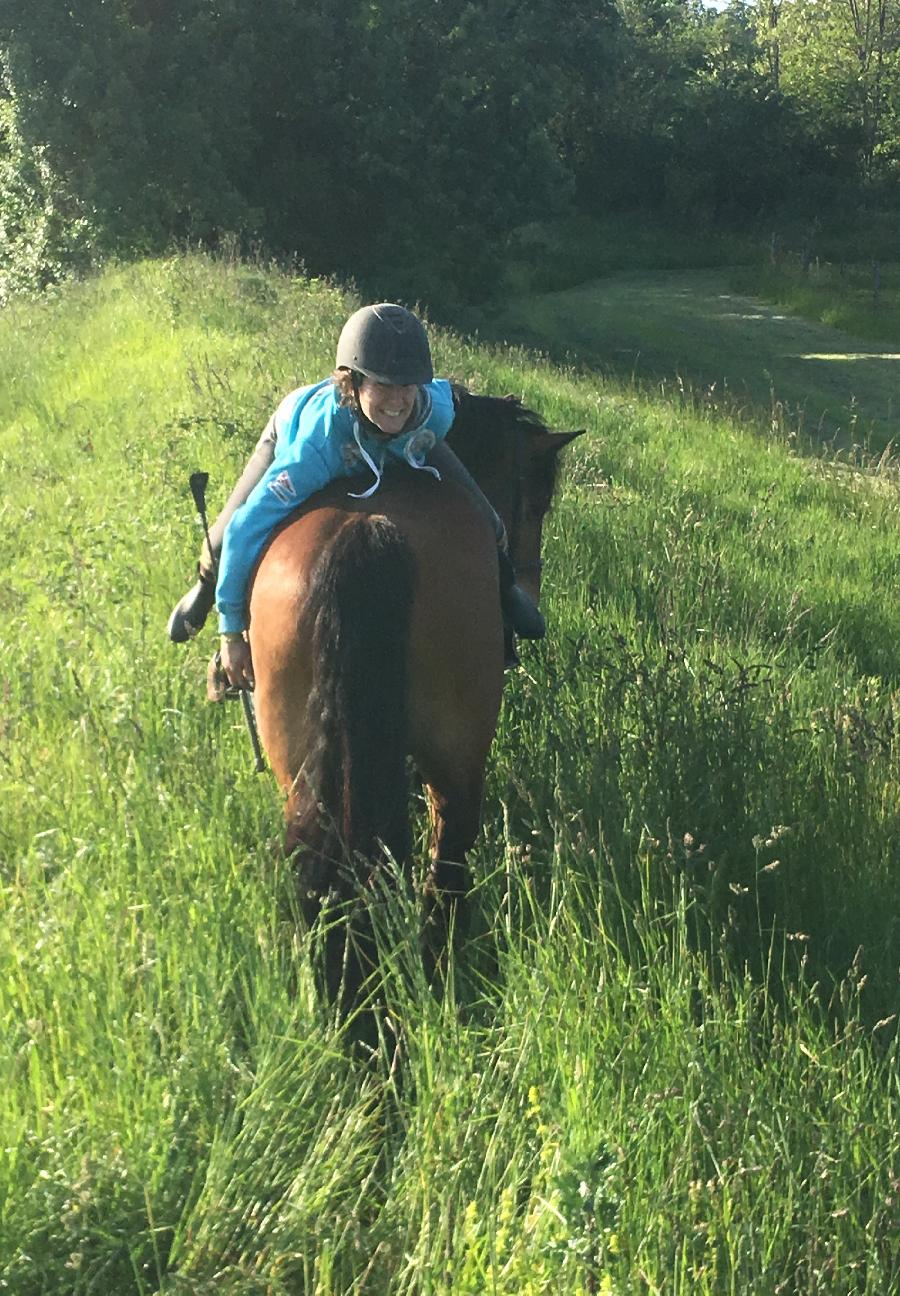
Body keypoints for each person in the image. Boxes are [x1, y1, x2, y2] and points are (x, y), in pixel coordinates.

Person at [167, 303, 545, 686]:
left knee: (490, 520)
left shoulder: (435, 412)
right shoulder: (316, 449)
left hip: (408, 442)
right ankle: (202, 593)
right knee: (225, 536)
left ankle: (509, 591)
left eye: (407, 385)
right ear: (354, 381)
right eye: (383, 385)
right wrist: (232, 634)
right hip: (298, 429)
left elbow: (440, 401)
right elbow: (248, 526)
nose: (398, 400)